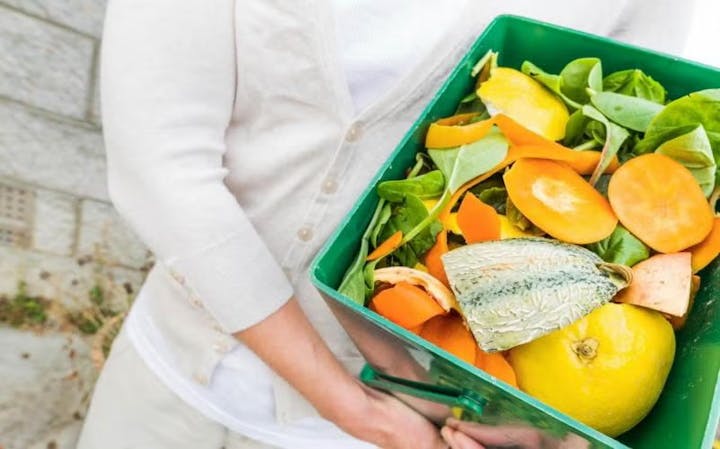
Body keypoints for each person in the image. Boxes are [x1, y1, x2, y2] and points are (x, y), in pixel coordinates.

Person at [77, 1, 696, 448]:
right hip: (182, 370)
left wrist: (555, 428)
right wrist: (358, 410)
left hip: (419, 417)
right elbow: (159, 172)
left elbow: (645, 176)